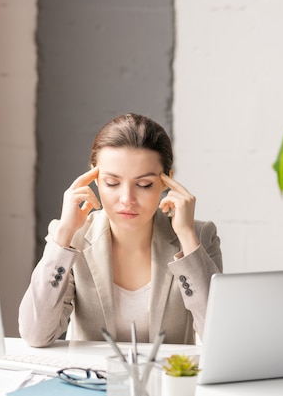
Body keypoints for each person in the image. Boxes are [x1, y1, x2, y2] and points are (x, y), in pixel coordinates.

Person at [18, 113, 222, 347]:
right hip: (90, 380)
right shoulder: (73, 238)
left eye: (144, 185)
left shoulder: (199, 237)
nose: (127, 199)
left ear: (167, 181)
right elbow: (35, 334)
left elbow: (218, 339)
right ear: (94, 177)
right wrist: (64, 232)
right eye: (112, 183)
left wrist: (187, 237)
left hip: (166, 381)